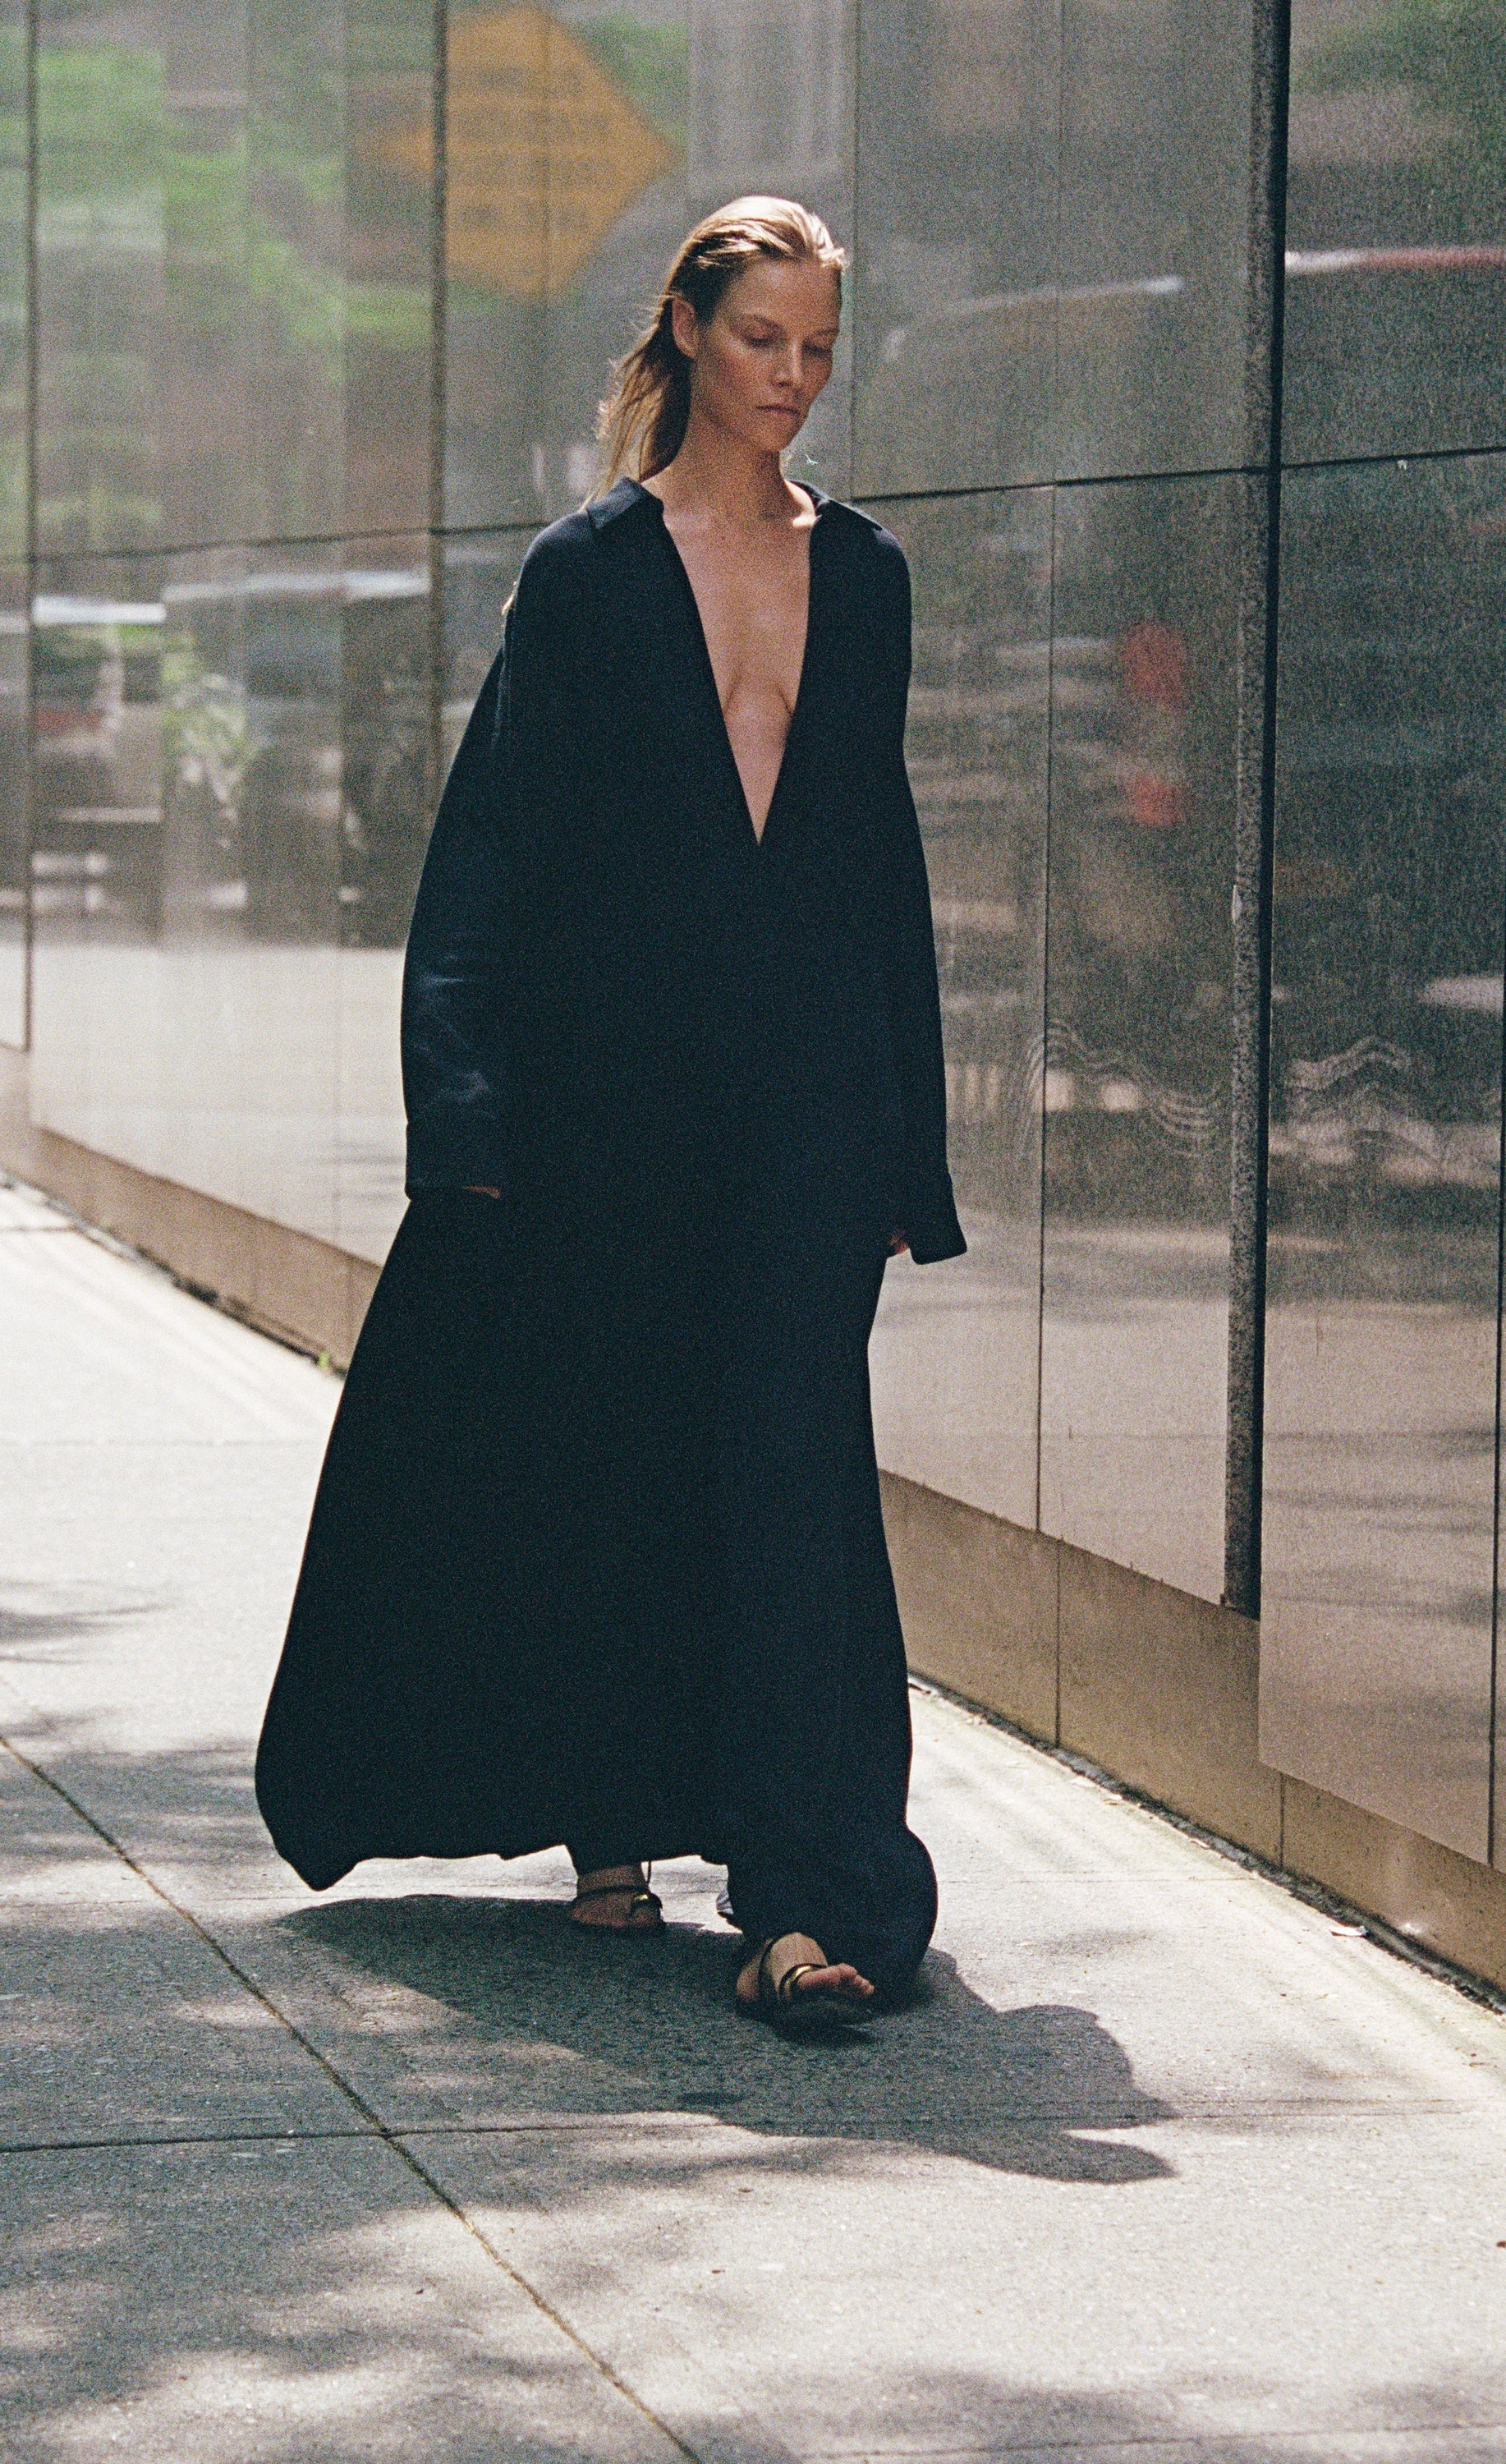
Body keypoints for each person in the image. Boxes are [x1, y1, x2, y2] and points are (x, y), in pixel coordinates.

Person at [254, 196, 965, 2037]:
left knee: (795, 1472)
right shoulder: (585, 573)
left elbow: (876, 865)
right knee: (625, 1451)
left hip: (808, 1094)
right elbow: (492, 852)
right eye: (763, 341)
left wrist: (912, 1144)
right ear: (686, 339)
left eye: (819, 346)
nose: (794, 380)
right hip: (613, 1100)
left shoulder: (866, 571)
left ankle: (808, 1897)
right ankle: (607, 1811)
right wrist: (467, 1108)